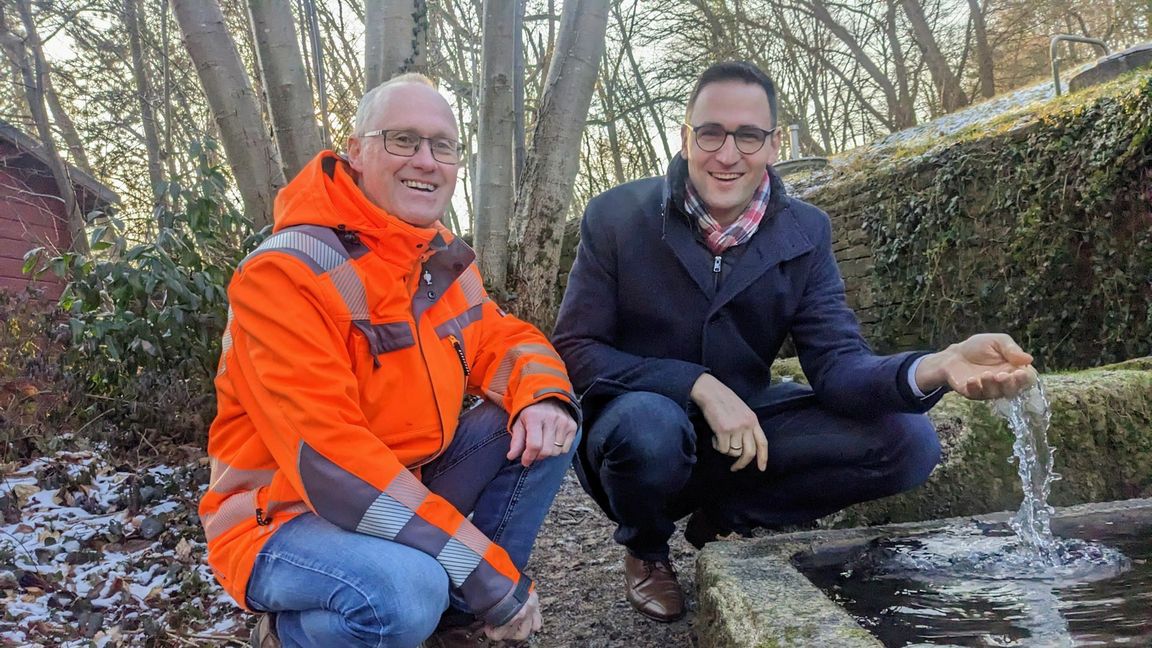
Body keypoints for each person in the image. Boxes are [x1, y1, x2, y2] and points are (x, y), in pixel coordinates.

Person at [551, 60, 1035, 623]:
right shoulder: (615, 215)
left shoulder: (807, 231)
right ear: (686, 139)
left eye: (748, 135)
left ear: (774, 144)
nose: (727, 154)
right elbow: (578, 348)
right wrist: (697, 385)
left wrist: (936, 365)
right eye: (710, 133)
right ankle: (647, 549)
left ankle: (731, 514)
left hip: (746, 432)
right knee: (648, 428)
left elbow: (837, 366)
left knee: (908, 442)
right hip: (636, 433)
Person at [199, 73, 580, 648]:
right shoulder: (284, 274)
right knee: (406, 592)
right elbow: (333, 464)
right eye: (403, 140)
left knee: (548, 423)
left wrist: (544, 396)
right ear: (355, 152)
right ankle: (290, 634)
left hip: (399, 490)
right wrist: (487, 573)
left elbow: (504, 340)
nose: (426, 160)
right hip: (280, 518)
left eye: (442, 145)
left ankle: (458, 625)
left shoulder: (436, 257)